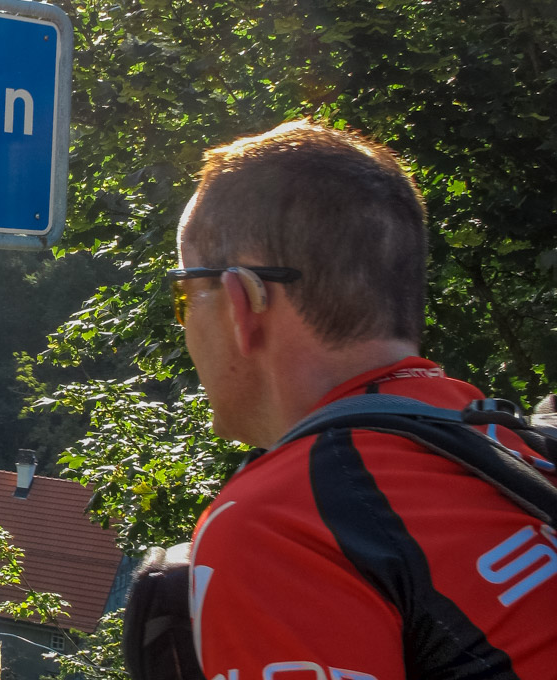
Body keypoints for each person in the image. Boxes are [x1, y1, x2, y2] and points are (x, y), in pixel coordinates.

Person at [171, 120, 557, 679]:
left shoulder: (282, 525)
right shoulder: (512, 446)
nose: (184, 323)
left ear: (241, 302)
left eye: (185, 295)